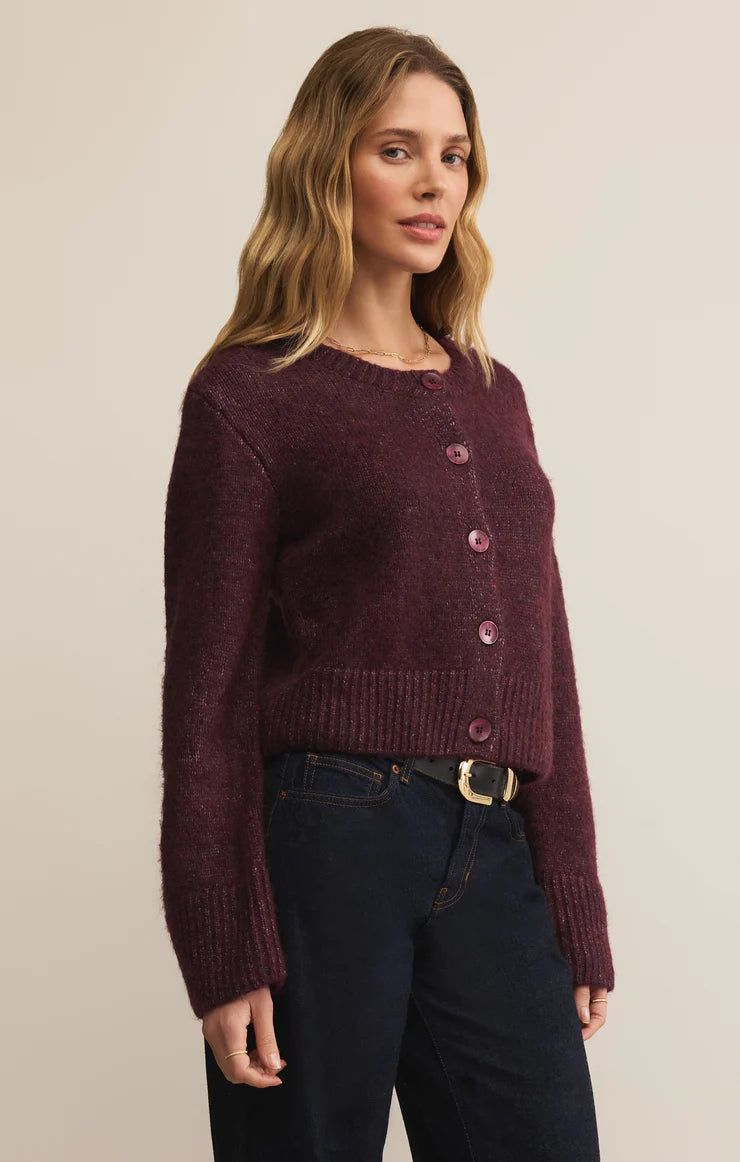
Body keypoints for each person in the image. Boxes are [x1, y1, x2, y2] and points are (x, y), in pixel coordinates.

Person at [159, 26, 615, 1162]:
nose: (433, 184)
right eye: (397, 150)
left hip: (491, 840)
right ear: (330, 166)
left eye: (453, 156)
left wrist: (571, 891)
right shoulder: (250, 395)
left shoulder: (493, 394)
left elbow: (543, 660)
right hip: (327, 841)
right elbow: (206, 697)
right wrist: (223, 944)